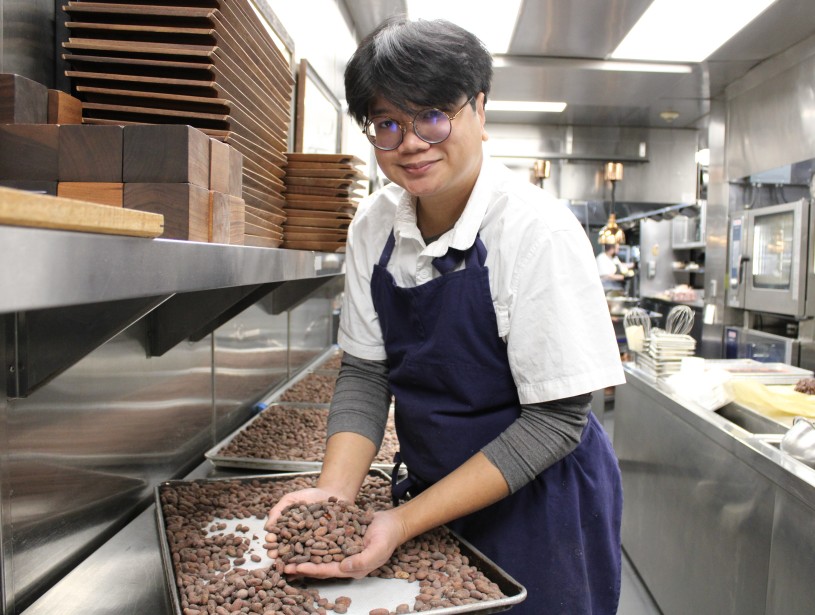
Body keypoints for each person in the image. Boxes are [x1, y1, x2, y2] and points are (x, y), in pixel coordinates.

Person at [266, 17, 625, 615]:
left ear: (479, 109)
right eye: (387, 123)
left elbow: (556, 422)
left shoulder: (536, 231)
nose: (410, 142)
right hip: (431, 498)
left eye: (433, 115)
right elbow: (366, 372)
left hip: (541, 503)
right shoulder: (374, 225)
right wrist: (334, 497)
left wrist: (401, 522)